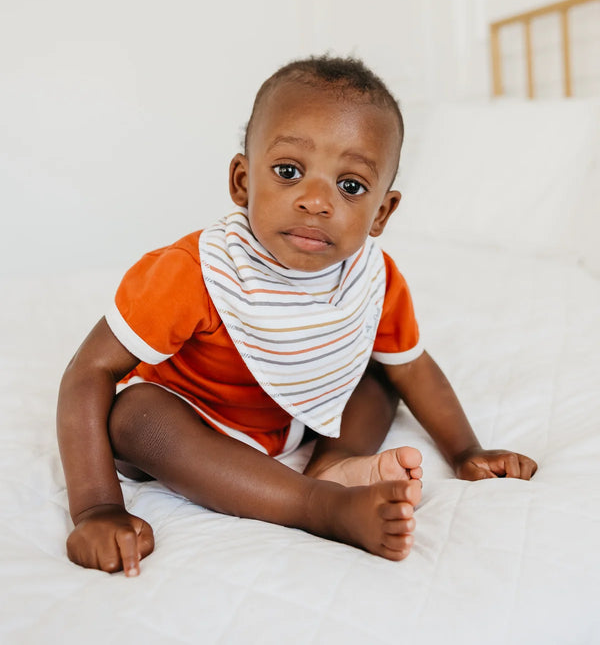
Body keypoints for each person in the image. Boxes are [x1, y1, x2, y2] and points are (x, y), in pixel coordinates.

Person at [57, 55, 537, 578]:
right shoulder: (195, 270)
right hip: (195, 420)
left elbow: (414, 367)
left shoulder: (372, 280)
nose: (315, 201)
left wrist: (467, 450)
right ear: (242, 181)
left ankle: (335, 464)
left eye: (351, 185)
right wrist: (95, 508)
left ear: (381, 213)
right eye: (288, 172)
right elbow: (88, 372)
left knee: (383, 371)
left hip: (295, 424)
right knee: (132, 417)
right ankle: (318, 505)